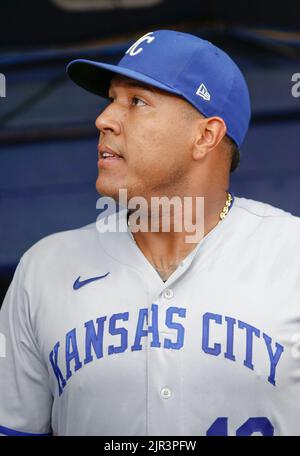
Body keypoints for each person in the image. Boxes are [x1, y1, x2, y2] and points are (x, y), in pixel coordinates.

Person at [0, 29, 300, 437]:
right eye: (111, 100)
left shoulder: (291, 256)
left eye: (137, 102)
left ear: (205, 136)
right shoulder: (43, 268)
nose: (103, 119)